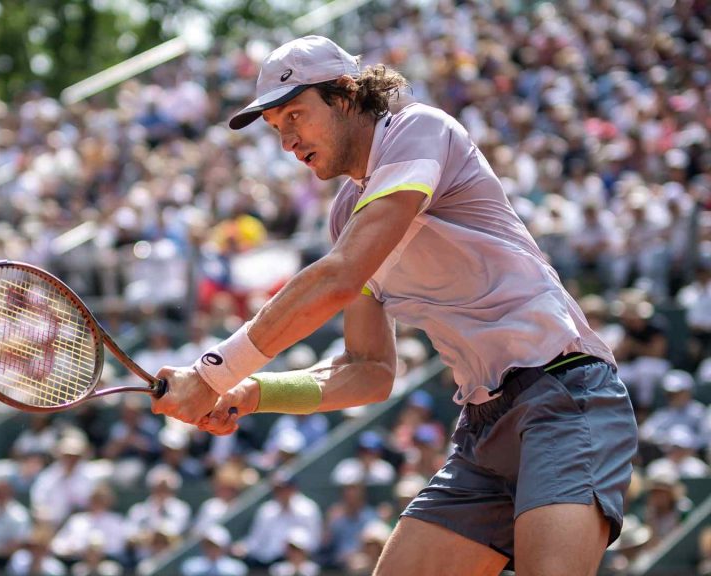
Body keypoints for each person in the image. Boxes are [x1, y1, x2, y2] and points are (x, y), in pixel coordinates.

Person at [151, 35, 638, 575]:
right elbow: (369, 373)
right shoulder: (345, 216)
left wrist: (213, 371)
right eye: (276, 128)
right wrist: (251, 392)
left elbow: (339, 278)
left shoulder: (418, 129)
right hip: (483, 428)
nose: (287, 141)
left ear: (343, 95)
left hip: (567, 393)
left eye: (295, 115)